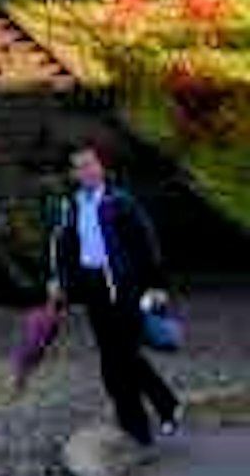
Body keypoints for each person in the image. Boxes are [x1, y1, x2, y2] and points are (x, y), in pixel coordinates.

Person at [49, 140, 182, 445]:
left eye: (92, 164)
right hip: (92, 288)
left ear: (102, 168)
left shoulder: (121, 202)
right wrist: (59, 281)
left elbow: (146, 245)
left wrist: (157, 285)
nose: (88, 171)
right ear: (73, 174)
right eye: (80, 167)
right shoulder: (70, 207)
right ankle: (141, 420)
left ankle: (157, 409)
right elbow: (62, 248)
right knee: (112, 361)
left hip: (124, 289)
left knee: (123, 356)